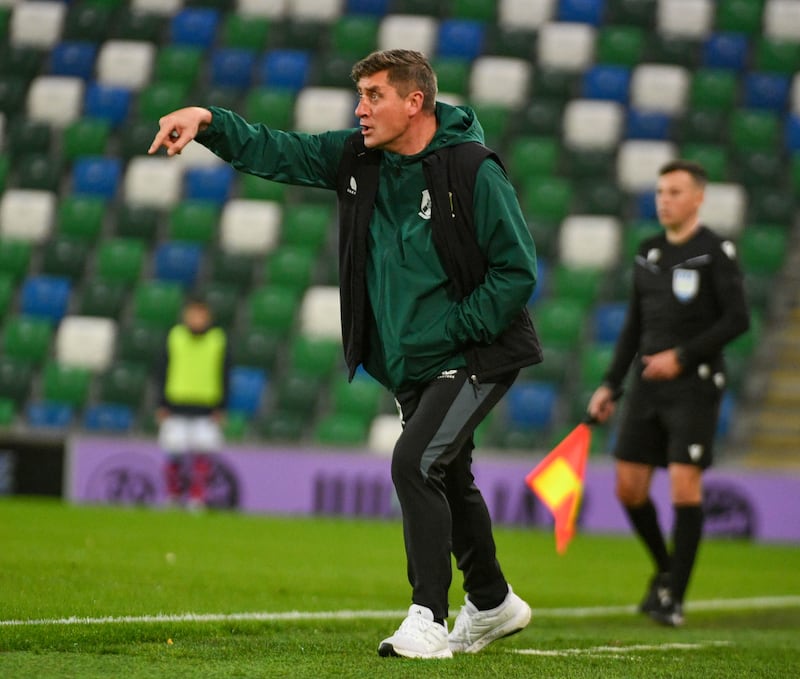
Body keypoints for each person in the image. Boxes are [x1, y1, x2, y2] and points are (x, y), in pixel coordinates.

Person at [149, 49, 542, 658]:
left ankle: (429, 619)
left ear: (414, 102)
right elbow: (280, 150)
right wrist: (208, 120)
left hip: (477, 352)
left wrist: (455, 329)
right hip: (411, 360)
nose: (360, 109)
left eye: (373, 96)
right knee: (449, 474)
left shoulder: (472, 168)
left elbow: (516, 271)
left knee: (415, 463)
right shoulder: (358, 158)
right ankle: (491, 600)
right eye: (359, 96)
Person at [587, 160, 750, 627]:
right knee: (629, 487)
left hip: (694, 385)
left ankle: (674, 598)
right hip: (647, 386)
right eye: (660, 192)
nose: (665, 200)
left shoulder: (716, 250)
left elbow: (738, 319)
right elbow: (634, 327)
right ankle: (665, 568)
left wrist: (682, 356)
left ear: (698, 197)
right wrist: (609, 384)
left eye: (675, 192)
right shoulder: (649, 251)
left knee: (684, 484)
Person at [156, 297, 231, 510]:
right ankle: (173, 496)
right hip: (176, 404)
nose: (197, 319)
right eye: (193, 314)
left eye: (201, 315)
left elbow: (225, 373)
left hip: (206, 407)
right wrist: (161, 404)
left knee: (203, 453)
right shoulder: (174, 337)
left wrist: (222, 407)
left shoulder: (218, 340)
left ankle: (198, 499)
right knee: (173, 452)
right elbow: (161, 371)